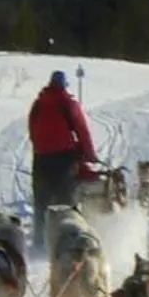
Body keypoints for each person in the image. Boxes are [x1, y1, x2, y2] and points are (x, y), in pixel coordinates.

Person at [26, 70, 98, 248]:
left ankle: (39, 241)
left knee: (41, 201)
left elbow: (32, 129)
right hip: (64, 159)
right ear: (65, 86)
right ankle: (65, 241)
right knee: (66, 201)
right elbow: (82, 129)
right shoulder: (68, 103)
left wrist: (41, 147)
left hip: (41, 158)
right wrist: (89, 154)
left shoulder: (38, 104)